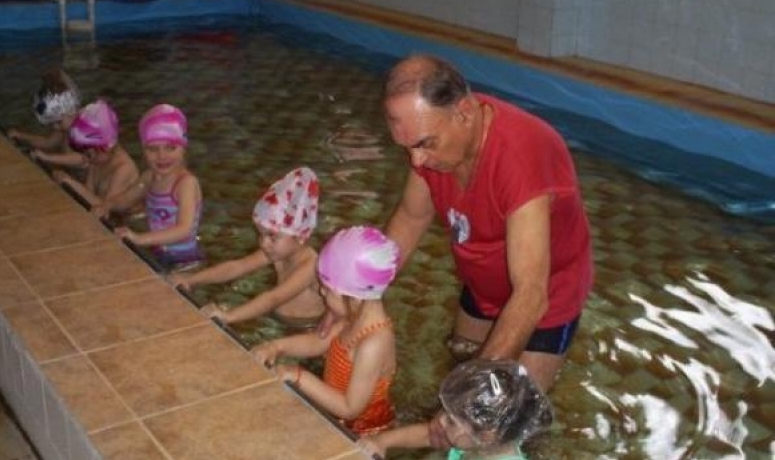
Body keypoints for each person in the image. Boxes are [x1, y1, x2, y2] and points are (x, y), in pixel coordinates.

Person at [381, 54, 593, 398]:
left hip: (545, 298)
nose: (416, 161)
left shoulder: (521, 157)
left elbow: (530, 294)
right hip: (483, 284)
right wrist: (361, 295)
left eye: (423, 144)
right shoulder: (431, 143)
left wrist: (473, 389)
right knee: (456, 368)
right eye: (406, 148)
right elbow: (411, 217)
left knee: (509, 415)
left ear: (464, 113)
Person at [252, 225, 399, 436]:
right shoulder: (353, 316)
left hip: (361, 430)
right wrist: (277, 346)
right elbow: (318, 342)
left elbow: (350, 409)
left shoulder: (373, 343)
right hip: (335, 413)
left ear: (354, 297)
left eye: (328, 289)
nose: (321, 291)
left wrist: (299, 376)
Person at [169, 167, 325, 329]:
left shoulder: (311, 266)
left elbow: (274, 298)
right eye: (261, 234)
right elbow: (237, 267)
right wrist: (191, 279)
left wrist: (229, 316)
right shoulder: (277, 252)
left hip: (303, 327)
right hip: (276, 318)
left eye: (272, 236)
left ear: (300, 236)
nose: (264, 243)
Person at [360, 358, 553, 460]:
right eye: (446, 411)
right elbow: (428, 436)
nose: (441, 420)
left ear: (487, 435)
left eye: (452, 421)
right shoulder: (474, 440)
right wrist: (382, 441)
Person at [93, 103, 203, 271]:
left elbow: (184, 230)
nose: (162, 156)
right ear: (143, 150)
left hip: (184, 261)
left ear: (183, 147)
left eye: (170, 147)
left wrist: (139, 238)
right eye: (153, 149)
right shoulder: (149, 177)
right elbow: (127, 198)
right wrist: (107, 205)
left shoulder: (186, 184)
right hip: (158, 252)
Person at [51, 99, 140, 214]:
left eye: (89, 154)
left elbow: (106, 209)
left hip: (130, 220)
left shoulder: (123, 169)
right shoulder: (96, 161)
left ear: (106, 147)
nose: (86, 159)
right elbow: (88, 193)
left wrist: (71, 182)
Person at [7, 68, 86, 169]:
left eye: (57, 122)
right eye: (52, 122)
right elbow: (47, 142)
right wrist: (20, 135)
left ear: (73, 113)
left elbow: (82, 158)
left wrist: (47, 157)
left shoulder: (84, 130)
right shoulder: (64, 128)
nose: (55, 126)